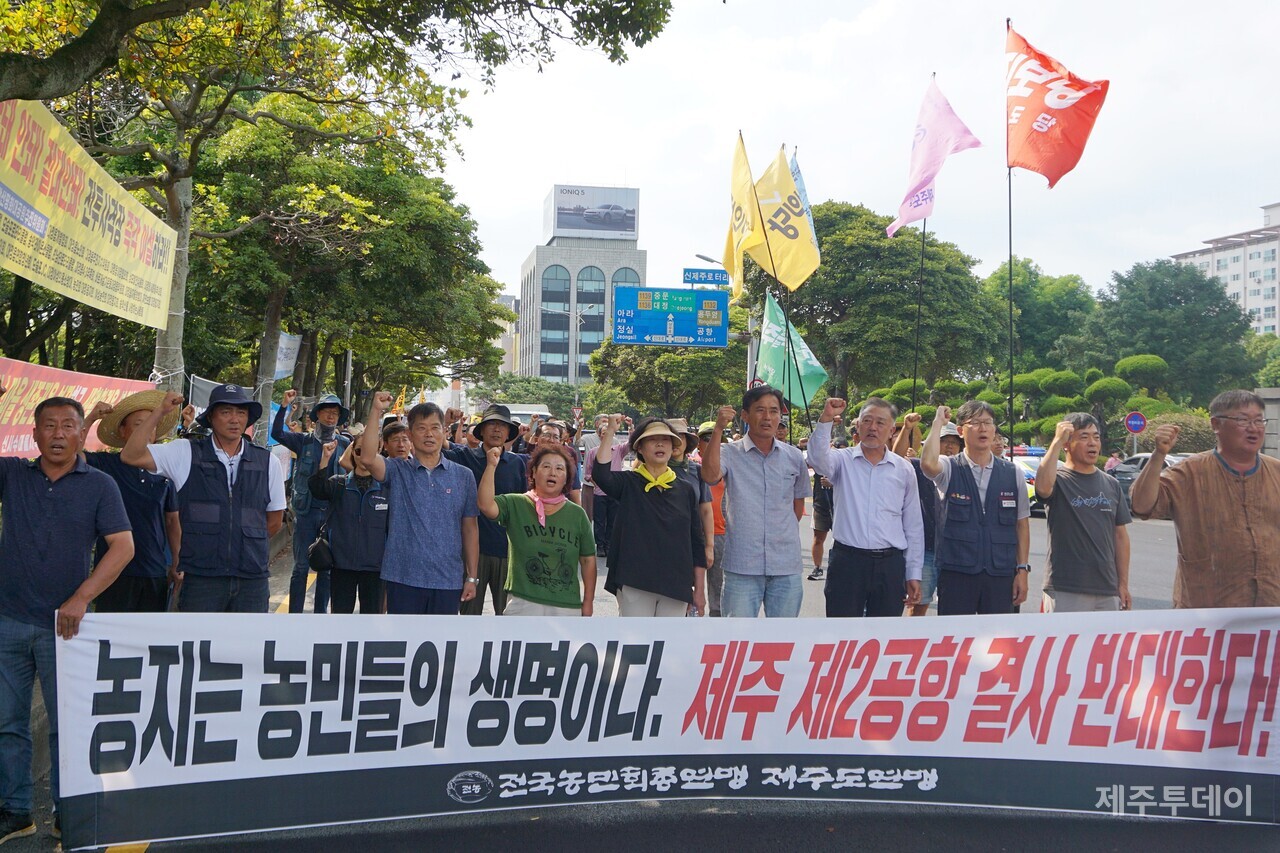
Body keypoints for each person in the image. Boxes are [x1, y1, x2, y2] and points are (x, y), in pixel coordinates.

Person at [0, 397, 134, 844]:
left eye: (68, 426)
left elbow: (122, 546)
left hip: (68, 628)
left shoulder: (99, 485)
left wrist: (81, 598)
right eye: (49, 426)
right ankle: (16, 810)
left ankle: (67, 812)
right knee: (7, 722)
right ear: (34, 434)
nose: (58, 434)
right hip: (9, 621)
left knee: (68, 725)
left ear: (82, 433)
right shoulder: (13, 476)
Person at [122, 386, 286, 613]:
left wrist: (243, 543)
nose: (234, 419)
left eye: (241, 413)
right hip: (201, 579)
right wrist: (159, 412)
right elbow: (131, 455)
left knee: (247, 647)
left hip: (252, 579)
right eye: (226, 412)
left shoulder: (268, 462)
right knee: (199, 647)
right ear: (211, 416)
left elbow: (274, 521)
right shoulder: (185, 452)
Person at [1129, 389, 1280, 607]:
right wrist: (1158, 455)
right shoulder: (1188, 472)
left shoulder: (1276, 472)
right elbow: (1142, 506)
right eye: (1242, 420)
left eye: (1259, 420)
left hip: (1270, 610)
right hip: (1207, 611)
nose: (1253, 428)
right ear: (1216, 425)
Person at [358, 393, 479, 615]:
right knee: (402, 646)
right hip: (403, 577)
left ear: (445, 431)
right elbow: (367, 458)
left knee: (441, 645)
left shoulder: (464, 476)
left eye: (435, 427)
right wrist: (376, 411)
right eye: (421, 428)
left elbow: (470, 528)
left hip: (447, 579)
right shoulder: (397, 470)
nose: (429, 434)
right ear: (410, 434)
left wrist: (471, 576)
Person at [701, 385, 811, 618]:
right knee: (736, 640)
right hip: (742, 566)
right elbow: (710, 476)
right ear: (745, 415)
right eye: (760, 410)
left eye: (774, 411)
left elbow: (797, 507)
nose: (767, 417)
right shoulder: (729, 452)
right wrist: (719, 429)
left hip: (786, 566)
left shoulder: (793, 457)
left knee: (783, 641)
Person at [808, 398, 924, 617]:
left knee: (883, 637)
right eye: (867, 421)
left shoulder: (903, 469)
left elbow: (913, 525)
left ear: (891, 430)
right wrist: (826, 419)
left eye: (880, 423)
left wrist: (913, 573)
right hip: (848, 563)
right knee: (841, 635)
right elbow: (816, 457)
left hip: (890, 566)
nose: (873, 427)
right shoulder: (842, 461)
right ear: (858, 426)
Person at [920, 401, 1030, 615]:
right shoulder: (950, 466)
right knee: (956, 640)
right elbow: (928, 464)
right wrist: (937, 424)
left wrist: (1022, 570)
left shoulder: (1012, 472)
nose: (983, 428)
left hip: (1000, 573)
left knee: (999, 641)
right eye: (976, 423)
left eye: (988, 423)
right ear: (961, 431)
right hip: (957, 572)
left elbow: (1022, 525)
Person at [80, 392, 183, 613]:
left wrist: (176, 562)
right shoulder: (108, 464)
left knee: (147, 639)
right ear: (122, 431)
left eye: (151, 425)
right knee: (111, 637)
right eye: (138, 424)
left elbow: (172, 521)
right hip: (113, 572)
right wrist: (89, 419)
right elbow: (74, 456)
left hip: (154, 570)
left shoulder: (164, 472)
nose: (146, 431)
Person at [594, 415, 706, 616]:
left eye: (666, 439)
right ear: (639, 448)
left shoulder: (686, 489)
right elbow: (601, 474)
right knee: (635, 644)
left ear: (673, 448)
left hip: (676, 584)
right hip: (635, 580)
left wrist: (699, 589)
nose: (660, 443)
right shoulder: (628, 482)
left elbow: (696, 541)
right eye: (652, 439)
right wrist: (610, 431)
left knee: (670, 644)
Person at [478, 442, 597, 616]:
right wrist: (491, 466)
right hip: (523, 602)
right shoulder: (515, 504)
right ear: (533, 472)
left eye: (559, 469)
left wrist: (588, 602)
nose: (553, 472)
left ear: (566, 478)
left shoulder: (577, 514)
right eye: (546, 466)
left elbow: (588, 561)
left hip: (566, 606)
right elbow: (485, 505)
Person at [1035, 414, 1132, 612]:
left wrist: (1122, 584)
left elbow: (1120, 537)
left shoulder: (1111, 484)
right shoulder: (1058, 480)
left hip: (1107, 588)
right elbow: (1043, 488)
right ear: (1067, 444)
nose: (1092, 443)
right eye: (1084, 437)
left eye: (1096, 437)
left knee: (1106, 643)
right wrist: (1055, 442)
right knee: (1064, 643)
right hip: (1066, 588)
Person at [444, 404, 527, 615]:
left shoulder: (517, 463)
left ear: (509, 433)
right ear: (481, 430)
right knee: (469, 614)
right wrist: (446, 423)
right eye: (492, 424)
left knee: (508, 614)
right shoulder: (464, 457)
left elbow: (523, 506)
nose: (497, 430)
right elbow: (435, 448)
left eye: (503, 426)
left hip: (506, 551)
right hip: (473, 551)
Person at [273, 390, 351, 614]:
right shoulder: (303, 441)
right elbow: (277, 432)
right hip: (306, 513)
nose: (330, 416)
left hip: (331, 514)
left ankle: (320, 617)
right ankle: (295, 616)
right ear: (317, 415)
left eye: (335, 413)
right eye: (326, 411)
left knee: (326, 568)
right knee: (300, 569)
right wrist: (284, 406)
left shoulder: (345, 444)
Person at [308, 439, 389, 614]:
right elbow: (317, 488)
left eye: (370, 450)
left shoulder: (387, 488)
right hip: (342, 565)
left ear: (379, 450)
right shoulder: (339, 484)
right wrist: (325, 458)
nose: (364, 456)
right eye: (359, 451)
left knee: (372, 621)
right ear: (352, 451)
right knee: (341, 620)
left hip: (375, 568)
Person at [899, 416, 961, 616]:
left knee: (953, 608)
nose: (949, 447)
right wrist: (907, 430)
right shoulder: (919, 467)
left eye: (954, 443)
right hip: (925, 550)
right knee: (918, 605)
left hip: (956, 552)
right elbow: (897, 459)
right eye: (944, 441)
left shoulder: (965, 471)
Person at [668, 419, 716, 575]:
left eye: (680, 437)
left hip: (690, 542)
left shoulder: (697, 471)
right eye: (670, 438)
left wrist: (709, 546)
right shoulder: (650, 470)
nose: (675, 443)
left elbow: (706, 511)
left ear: (687, 441)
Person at [695, 422, 729, 616]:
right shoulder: (690, 466)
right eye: (706, 439)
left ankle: (717, 631)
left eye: (717, 439)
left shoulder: (727, 466)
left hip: (721, 534)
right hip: (694, 534)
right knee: (690, 590)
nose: (712, 442)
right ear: (698, 443)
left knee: (719, 590)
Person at [807, 469, 833, 582]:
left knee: (841, 540)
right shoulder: (818, 459)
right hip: (820, 503)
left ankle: (838, 569)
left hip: (840, 505)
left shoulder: (842, 457)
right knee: (818, 538)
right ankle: (817, 568)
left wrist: (833, 483)